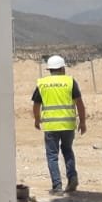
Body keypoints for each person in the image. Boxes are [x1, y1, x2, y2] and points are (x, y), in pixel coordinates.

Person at [32, 54, 86, 194]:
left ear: (49, 69)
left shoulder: (42, 83)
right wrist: (83, 122)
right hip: (68, 125)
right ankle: (72, 177)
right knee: (67, 150)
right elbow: (80, 104)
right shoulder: (70, 82)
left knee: (52, 155)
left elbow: (36, 105)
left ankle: (57, 187)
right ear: (62, 68)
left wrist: (37, 119)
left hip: (51, 126)